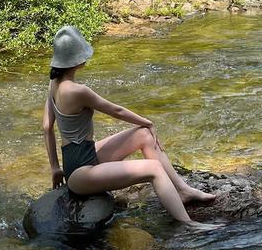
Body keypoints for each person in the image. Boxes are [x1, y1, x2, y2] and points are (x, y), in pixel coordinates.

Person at [42, 25, 216, 224]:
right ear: (77, 60)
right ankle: (190, 225)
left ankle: (182, 190)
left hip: (81, 157)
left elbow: (46, 127)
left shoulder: (53, 84)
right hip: (81, 174)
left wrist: (55, 168)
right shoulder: (78, 91)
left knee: (144, 135)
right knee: (154, 168)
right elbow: (116, 111)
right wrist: (148, 121)